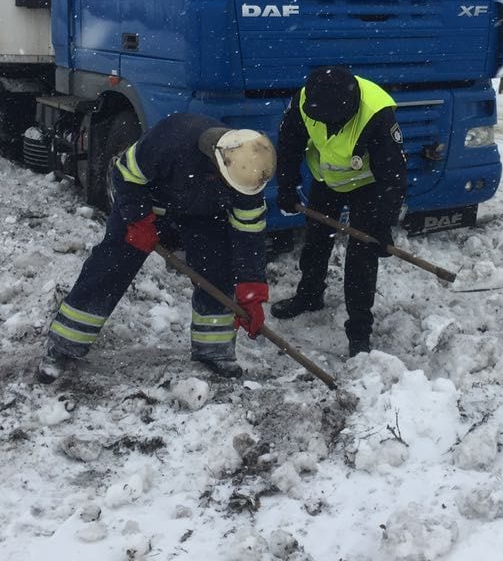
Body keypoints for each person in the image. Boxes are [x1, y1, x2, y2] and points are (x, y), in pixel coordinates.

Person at [38, 114, 276, 383]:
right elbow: (124, 173)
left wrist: (252, 289)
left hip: (204, 215)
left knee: (218, 269)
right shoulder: (171, 140)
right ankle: (65, 345)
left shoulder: (247, 175)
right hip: (148, 205)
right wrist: (139, 220)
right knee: (109, 267)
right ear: (218, 164)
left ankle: (214, 350)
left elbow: (249, 234)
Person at [270, 66, 407, 357]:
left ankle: (359, 330)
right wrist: (286, 185)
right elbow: (289, 143)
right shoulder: (305, 101)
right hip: (327, 179)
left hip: (367, 185)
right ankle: (309, 296)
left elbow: (393, 175)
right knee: (316, 240)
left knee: (362, 254)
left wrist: (383, 226)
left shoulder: (376, 112)